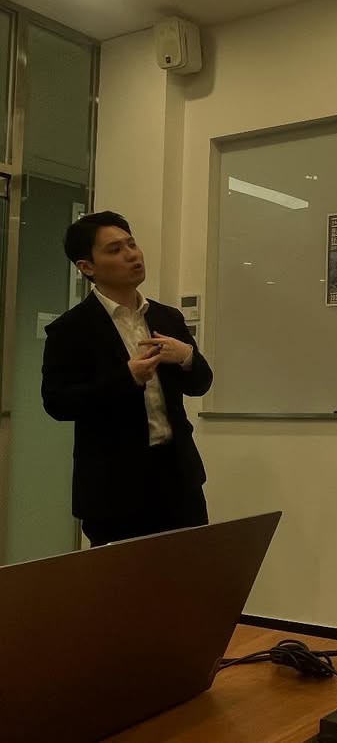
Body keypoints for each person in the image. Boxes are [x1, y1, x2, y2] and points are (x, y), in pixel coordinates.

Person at [41, 211, 213, 546]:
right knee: (124, 579)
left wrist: (187, 357)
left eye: (131, 244)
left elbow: (200, 384)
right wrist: (126, 378)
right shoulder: (71, 329)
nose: (132, 255)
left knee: (190, 572)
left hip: (178, 479)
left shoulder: (167, 317)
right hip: (114, 489)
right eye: (115, 249)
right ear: (87, 267)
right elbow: (57, 402)